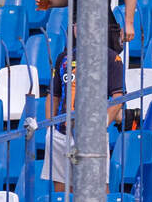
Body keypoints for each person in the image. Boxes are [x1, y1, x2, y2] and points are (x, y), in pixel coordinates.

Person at [42, 27, 125, 192]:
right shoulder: (64, 58)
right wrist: (50, 127)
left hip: (92, 133)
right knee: (62, 188)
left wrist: (102, 125)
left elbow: (118, 98)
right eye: (77, 24)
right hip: (61, 132)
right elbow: (53, 95)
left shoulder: (111, 58)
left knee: (98, 187)